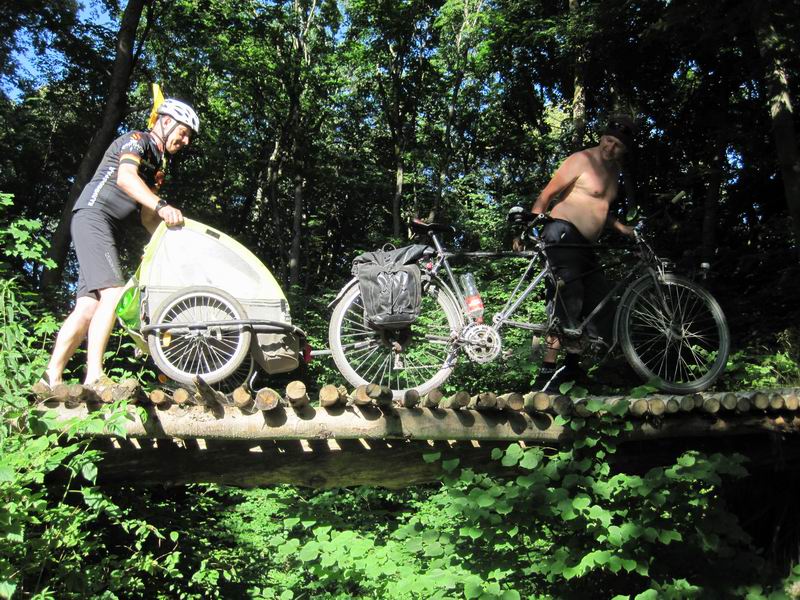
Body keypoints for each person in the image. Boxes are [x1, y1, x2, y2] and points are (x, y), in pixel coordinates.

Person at [42, 99, 199, 388]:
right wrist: (163, 204)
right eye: (184, 131)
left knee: (88, 307)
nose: (185, 140)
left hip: (104, 228)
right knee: (113, 294)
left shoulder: (158, 165)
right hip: (93, 216)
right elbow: (126, 179)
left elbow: (147, 218)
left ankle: (50, 377)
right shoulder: (136, 140)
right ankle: (95, 377)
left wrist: (167, 245)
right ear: (165, 122)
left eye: (189, 136)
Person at [530, 116, 637, 392]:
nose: (610, 148)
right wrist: (528, 230)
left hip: (585, 246)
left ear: (625, 150)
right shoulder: (580, 160)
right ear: (601, 137)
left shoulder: (614, 173)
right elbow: (546, 195)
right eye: (608, 140)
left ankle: (571, 369)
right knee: (568, 300)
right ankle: (547, 374)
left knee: (596, 304)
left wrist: (622, 228)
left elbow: (598, 206)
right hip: (562, 234)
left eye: (617, 145)